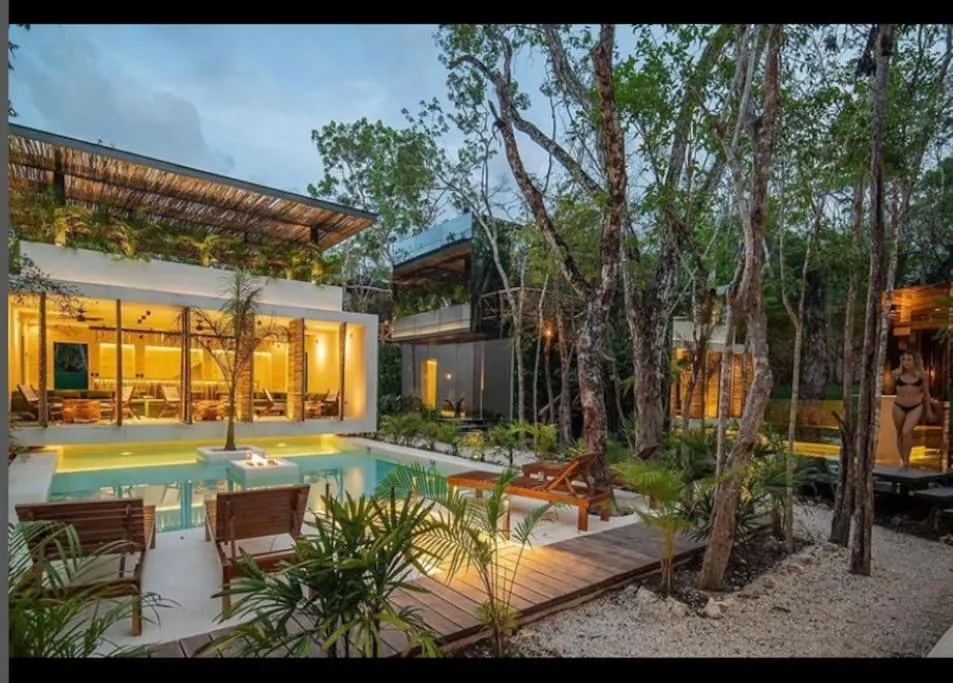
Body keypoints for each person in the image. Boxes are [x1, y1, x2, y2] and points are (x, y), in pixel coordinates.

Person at [890, 350, 933, 468]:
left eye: (909, 360)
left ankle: (906, 460)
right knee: (899, 434)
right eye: (903, 360)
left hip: (915, 406)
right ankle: (903, 460)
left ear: (914, 361)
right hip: (899, 406)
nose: (906, 362)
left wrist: (929, 411)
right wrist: (895, 375)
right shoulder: (896, 374)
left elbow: (926, 393)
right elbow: (889, 389)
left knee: (906, 431)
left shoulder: (922, 375)